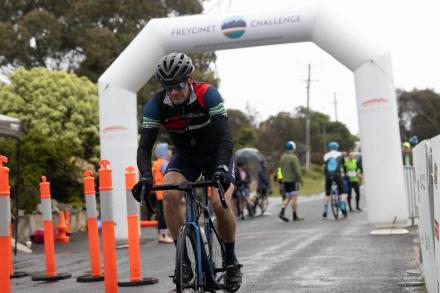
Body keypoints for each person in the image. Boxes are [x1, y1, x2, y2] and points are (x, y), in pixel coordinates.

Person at [132, 53, 242, 292]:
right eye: (168, 87)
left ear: (189, 79)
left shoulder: (207, 94)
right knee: (170, 195)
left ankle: (232, 261)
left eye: (178, 85)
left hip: (216, 156)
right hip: (186, 157)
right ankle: (184, 261)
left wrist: (222, 169)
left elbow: (225, 137)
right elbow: (144, 147)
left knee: (219, 202)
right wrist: (145, 176)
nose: (173, 92)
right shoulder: (157, 104)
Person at [152, 143, 174, 243]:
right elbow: (170, 174)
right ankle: (164, 235)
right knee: (165, 214)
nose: (169, 152)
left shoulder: (156, 163)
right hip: (165, 190)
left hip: (158, 191)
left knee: (160, 213)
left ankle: (162, 234)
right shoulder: (164, 163)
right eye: (167, 150)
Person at [278, 141, 304, 222]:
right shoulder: (294, 158)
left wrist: (280, 179)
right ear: (293, 148)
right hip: (293, 181)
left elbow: (280, 169)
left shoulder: (282, 158)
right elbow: (297, 170)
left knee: (288, 197)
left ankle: (282, 212)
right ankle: (295, 215)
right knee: (294, 198)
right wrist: (300, 179)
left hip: (285, 181)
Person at [323, 141, 348, 218]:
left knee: (327, 193)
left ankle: (325, 209)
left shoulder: (326, 155)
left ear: (330, 148)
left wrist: (326, 176)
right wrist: (346, 173)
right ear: (337, 147)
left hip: (328, 175)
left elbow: (325, 167)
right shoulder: (340, 155)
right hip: (337, 174)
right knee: (342, 192)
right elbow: (344, 166)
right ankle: (343, 205)